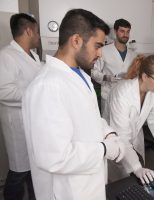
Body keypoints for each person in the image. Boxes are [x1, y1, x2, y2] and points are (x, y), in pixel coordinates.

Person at [22, 9, 125, 200]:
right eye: (97, 46)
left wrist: (108, 132)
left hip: (88, 184)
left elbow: (90, 116)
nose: (100, 54)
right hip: (67, 191)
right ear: (76, 41)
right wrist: (104, 149)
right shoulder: (47, 86)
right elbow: (55, 157)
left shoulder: (81, 76)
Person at [104, 55, 154, 184]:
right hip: (116, 142)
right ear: (145, 76)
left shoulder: (152, 90)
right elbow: (122, 136)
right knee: (119, 183)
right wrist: (136, 167)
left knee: (138, 180)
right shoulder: (122, 93)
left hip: (135, 138)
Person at [0, 13, 41, 200]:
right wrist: (34, 95)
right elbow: (4, 91)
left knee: (33, 170)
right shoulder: (6, 56)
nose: (39, 36)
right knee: (18, 173)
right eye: (37, 32)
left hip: (33, 124)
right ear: (28, 31)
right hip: (18, 126)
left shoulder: (33, 55)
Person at [91, 18, 137, 114]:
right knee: (110, 126)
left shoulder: (133, 55)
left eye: (128, 32)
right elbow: (93, 72)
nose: (125, 35)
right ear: (115, 31)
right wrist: (106, 77)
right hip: (109, 96)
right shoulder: (103, 51)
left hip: (128, 97)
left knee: (127, 125)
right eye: (122, 31)